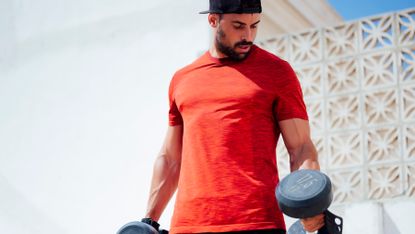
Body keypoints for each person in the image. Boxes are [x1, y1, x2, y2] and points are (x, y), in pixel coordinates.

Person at [142, 0, 324, 233]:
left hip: (257, 223)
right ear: (213, 20)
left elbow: (300, 148)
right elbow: (170, 159)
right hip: (188, 226)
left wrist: (309, 203)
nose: (248, 35)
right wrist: (148, 221)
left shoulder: (277, 73)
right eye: (239, 26)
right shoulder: (183, 80)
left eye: (254, 26)